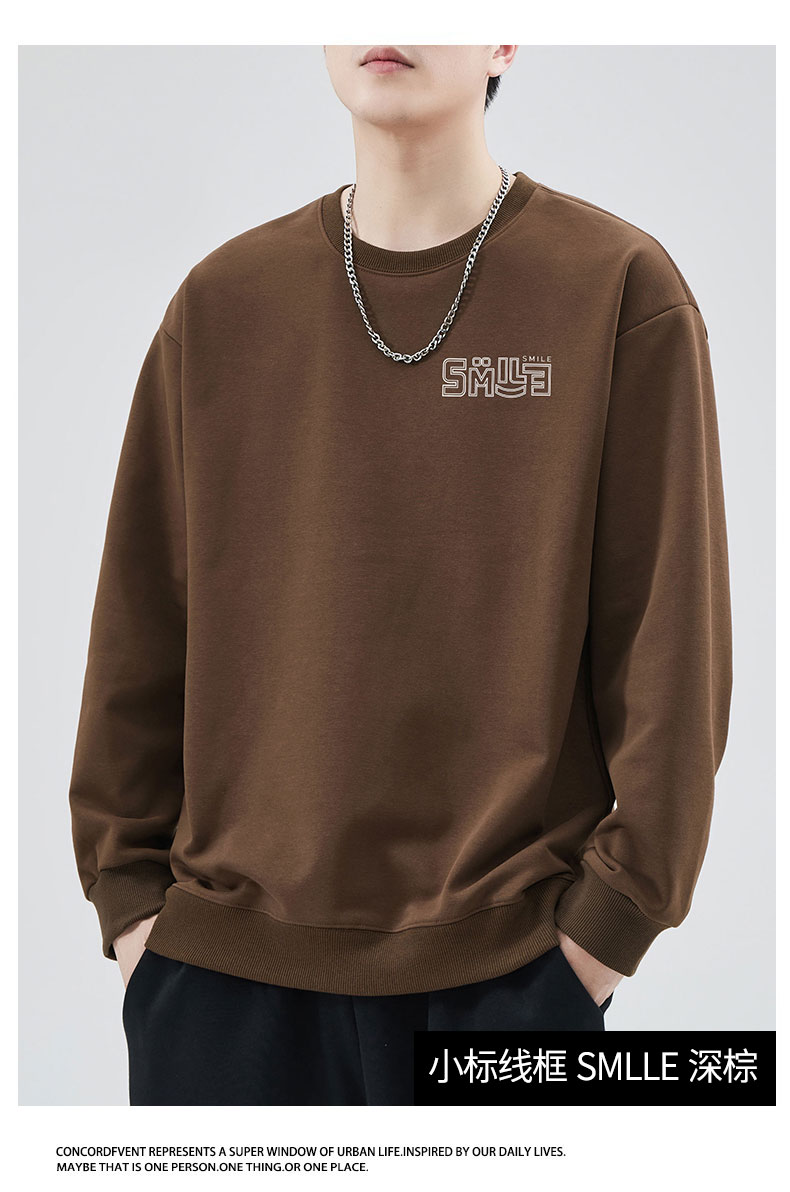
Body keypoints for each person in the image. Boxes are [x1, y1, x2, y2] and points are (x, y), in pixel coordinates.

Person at [68, 45, 733, 1106]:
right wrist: (133, 909)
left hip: (511, 977)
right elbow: (139, 629)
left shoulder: (613, 288)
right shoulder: (224, 304)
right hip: (223, 987)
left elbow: (670, 646)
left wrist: (600, 937)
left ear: (504, 39)